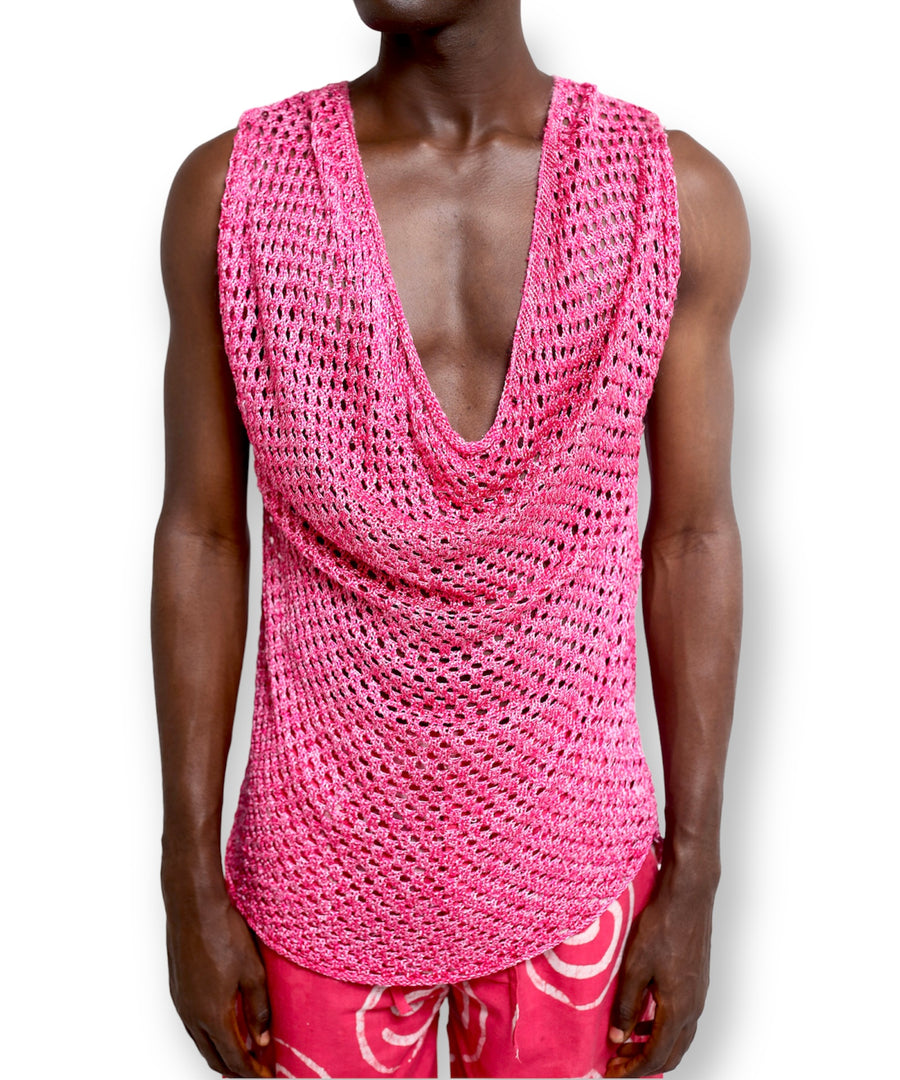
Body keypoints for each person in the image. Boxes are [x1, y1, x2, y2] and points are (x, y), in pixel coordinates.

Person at [151, 1, 749, 1077]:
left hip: (573, 865)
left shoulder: (668, 195)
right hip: (314, 870)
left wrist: (697, 874)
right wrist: (186, 876)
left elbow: (693, 537)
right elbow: (201, 534)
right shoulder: (233, 195)